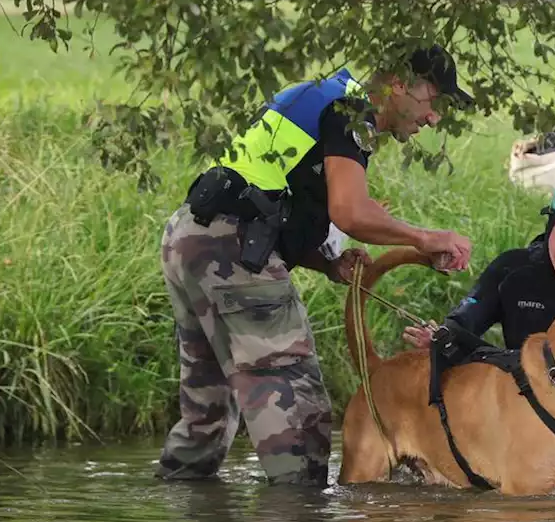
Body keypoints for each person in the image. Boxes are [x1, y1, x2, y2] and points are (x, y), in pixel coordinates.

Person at [156, 44, 475, 489]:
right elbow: (350, 211)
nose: (434, 118)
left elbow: (266, 196)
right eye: (434, 101)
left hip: (189, 237)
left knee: (207, 408)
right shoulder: (351, 112)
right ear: (401, 83)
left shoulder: (318, 95)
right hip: (231, 254)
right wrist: (427, 238)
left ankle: (188, 521)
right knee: (298, 416)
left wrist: (326, 263)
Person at [402, 179, 555, 486]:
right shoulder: (514, 269)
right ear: (549, 230)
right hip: (522, 406)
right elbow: (464, 322)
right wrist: (441, 337)